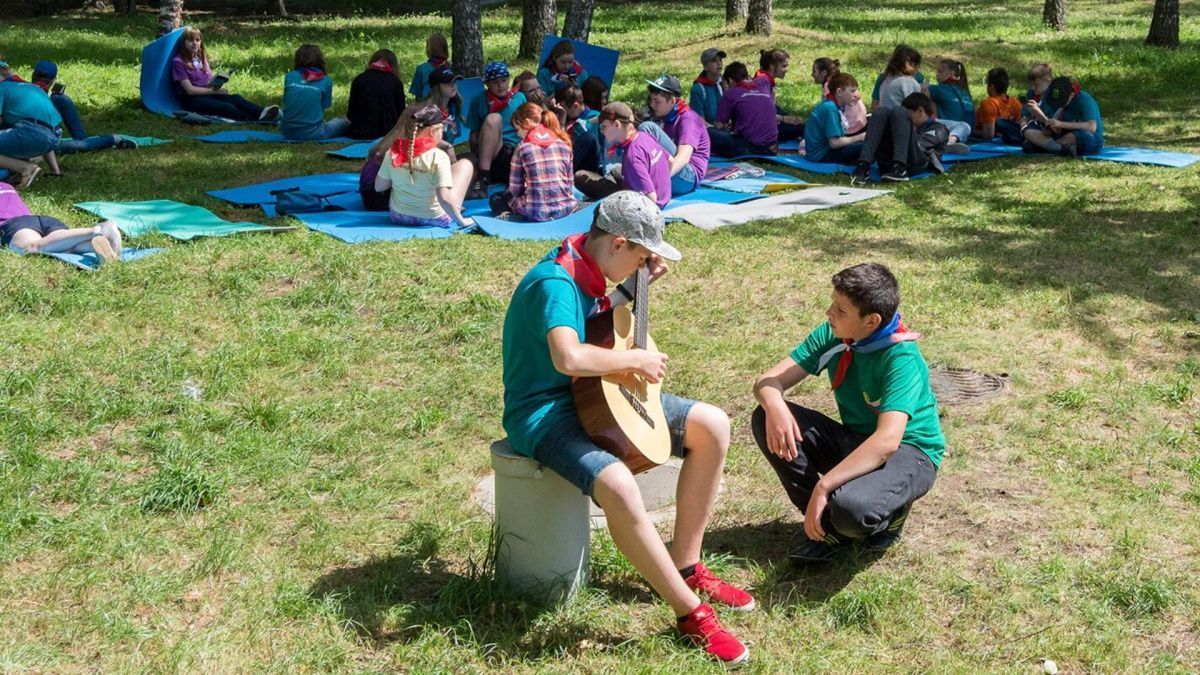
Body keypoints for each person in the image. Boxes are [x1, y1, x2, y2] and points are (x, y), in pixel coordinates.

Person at [502, 190, 753, 665]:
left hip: (600, 392)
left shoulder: (588, 263)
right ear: (618, 243)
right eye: (640, 255)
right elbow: (568, 356)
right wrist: (633, 360)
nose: (644, 263)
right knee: (618, 483)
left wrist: (632, 291)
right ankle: (689, 613)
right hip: (544, 410)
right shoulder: (554, 282)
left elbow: (594, 323)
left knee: (713, 425)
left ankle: (687, 564)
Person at [751, 262, 943, 564]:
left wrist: (825, 485)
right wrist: (775, 406)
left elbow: (887, 441)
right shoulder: (836, 335)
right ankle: (825, 527)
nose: (829, 313)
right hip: (858, 440)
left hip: (909, 452)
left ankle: (888, 516)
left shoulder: (901, 357)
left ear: (871, 321)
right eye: (832, 304)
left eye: (840, 310)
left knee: (852, 509)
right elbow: (768, 381)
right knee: (765, 417)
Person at [374, 105, 475, 229]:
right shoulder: (438, 156)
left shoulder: (393, 152)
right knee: (465, 164)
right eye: (441, 130)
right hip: (435, 218)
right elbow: (444, 199)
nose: (442, 133)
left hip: (398, 216)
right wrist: (462, 221)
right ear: (432, 131)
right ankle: (455, 209)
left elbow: (379, 187)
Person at [170, 27, 280, 122]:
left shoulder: (200, 57)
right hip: (192, 100)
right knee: (227, 107)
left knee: (236, 98)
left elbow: (208, 80)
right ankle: (258, 119)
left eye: (197, 40)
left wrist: (218, 83)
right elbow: (190, 90)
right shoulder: (178, 62)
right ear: (183, 43)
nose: (195, 43)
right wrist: (214, 91)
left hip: (207, 93)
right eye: (190, 40)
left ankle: (263, 112)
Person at [489, 102, 576, 221]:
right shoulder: (563, 143)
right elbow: (569, 184)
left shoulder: (522, 147)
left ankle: (508, 215)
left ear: (526, 123)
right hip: (566, 209)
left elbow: (515, 190)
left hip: (536, 213)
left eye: (517, 130)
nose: (517, 134)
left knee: (497, 197)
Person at [574, 102, 672, 208]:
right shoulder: (644, 136)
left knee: (580, 177)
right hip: (664, 196)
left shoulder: (632, 157)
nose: (601, 131)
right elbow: (670, 161)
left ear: (617, 125)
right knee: (615, 170)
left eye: (603, 126)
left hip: (643, 204)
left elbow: (651, 200)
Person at [30, 60, 135, 154]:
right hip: (37, 142)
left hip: (41, 138)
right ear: (53, 81)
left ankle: (97, 140)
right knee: (82, 145)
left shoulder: (28, 91)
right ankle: (112, 139)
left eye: (44, 81)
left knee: (60, 99)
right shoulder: (30, 94)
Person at [1, 181, 123, 261]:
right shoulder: (7, 185)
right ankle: (97, 244)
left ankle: (99, 230)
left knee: (31, 248)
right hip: (41, 220)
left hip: (14, 225)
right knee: (62, 248)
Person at [850, 92, 948, 183]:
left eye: (907, 117)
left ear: (920, 111)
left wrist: (905, 130)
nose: (904, 122)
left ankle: (900, 169)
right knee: (882, 111)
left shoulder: (938, 128)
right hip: (888, 163)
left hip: (915, 163)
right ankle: (863, 166)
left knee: (899, 111)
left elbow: (920, 145)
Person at [638, 75, 710, 197]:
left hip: (688, 176)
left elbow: (683, 157)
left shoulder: (688, 119)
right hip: (671, 169)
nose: (652, 105)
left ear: (672, 101)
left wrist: (661, 180)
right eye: (651, 100)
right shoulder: (666, 116)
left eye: (657, 102)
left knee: (647, 127)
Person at [465, 61, 528, 198]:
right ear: (487, 84)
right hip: (492, 153)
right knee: (493, 118)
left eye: (504, 80)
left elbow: (528, 128)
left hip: (515, 154)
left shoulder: (519, 98)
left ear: (509, 79)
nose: (501, 85)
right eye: (495, 82)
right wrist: (474, 159)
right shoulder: (479, 100)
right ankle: (483, 178)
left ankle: (517, 181)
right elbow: (474, 135)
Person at [0, 62, 62, 182]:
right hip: (55, 137)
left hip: (32, 134)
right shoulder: (30, 87)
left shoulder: (2, 88)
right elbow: (45, 128)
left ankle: (25, 168)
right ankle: (27, 169)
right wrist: (54, 171)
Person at [707, 62, 778, 158]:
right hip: (772, 147)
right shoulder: (763, 86)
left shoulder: (730, 93)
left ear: (730, 81)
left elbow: (718, 125)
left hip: (748, 148)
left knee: (708, 132)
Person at [280, 44, 349, 141]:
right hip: (313, 133)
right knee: (345, 121)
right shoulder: (326, 81)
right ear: (321, 60)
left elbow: (286, 101)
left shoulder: (290, 76)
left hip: (287, 132)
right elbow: (323, 107)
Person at [1022, 76, 1104, 157]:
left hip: (1088, 137)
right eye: (1055, 101)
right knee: (1028, 130)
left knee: (1076, 137)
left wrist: (1060, 124)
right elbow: (1049, 122)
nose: (1058, 104)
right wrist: (1049, 128)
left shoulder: (1084, 100)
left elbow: (1091, 127)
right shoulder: (1051, 97)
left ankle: (1046, 147)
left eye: (1062, 101)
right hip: (1060, 135)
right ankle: (1061, 149)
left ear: (1071, 95)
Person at [803, 72, 866, 164]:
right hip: (821, 155)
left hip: (818, 152)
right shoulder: (830, 108)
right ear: (839, 92)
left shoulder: (830, 104)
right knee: (870, 146)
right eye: (852, 91)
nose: (856, 95)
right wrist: (859, 137)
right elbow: (834, 143)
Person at [346, 49, 406, 140]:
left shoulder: (359, 79)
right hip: (388, 132)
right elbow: (401, 113)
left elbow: (350, 114)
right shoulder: (395, 82)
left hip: (359, 131)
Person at [754, 48, 803, 142]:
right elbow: (762, 113)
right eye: (784, 66)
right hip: (761, 131)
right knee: (800, 127)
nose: (786, 70)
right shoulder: (762, 82)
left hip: (764, 124)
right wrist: (783, 119)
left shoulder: (764, 78)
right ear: (772, 66)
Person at [553, 85, 602, 173]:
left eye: (564, 109)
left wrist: (562, 120)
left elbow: (566, 154)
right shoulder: (570, 118)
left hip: (585, 171)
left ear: (576, 105)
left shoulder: (593, 120)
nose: (562, 112)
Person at [812, 57, 866, 134]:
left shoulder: (828, 87)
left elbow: (829, 113)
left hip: (850, 128)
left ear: (823, 73)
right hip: (861, 123)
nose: (812, 74)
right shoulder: (841, 80)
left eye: (814, 71)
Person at [927, 59, 975, 145]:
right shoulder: (964, 91)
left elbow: (923, 90)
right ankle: (951, 142)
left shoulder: (938, 89)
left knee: (964, 126)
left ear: (951, 73)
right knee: (965, 127)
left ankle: (950, 141)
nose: (937, 74)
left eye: (940, 71)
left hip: (949, 130)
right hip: (964, 134)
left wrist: (925, 84)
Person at [871, 44, 927, 111]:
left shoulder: (885, 79)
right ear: (913, 65)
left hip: (884, 115)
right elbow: (916, 107)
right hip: (900, 116)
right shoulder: (908, 82)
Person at [975, 67, 1023, 144]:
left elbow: (988, 135)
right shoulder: (1016, 103)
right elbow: (1018, 128)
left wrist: (970, 131)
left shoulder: (989, 103)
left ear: (991, 87)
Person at [424, 64, 465, 145]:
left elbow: (451, 140)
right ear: (436, 87)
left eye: (454, 82)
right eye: (448, 82)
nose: (453, 86)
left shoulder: (454, 109)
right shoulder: (426, 112)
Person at [409, 32, 449, 102]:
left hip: (427, 106)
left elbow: (418, 98)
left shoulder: (422, 69)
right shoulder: (451, 67)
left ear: (429, 49)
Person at [689, 48, 725, 125]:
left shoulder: (726, 83)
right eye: (714, 61)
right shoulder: (698, 89)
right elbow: (699, 122)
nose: (719, 63)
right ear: (705, 66)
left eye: (720, 60)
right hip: (711, 130)